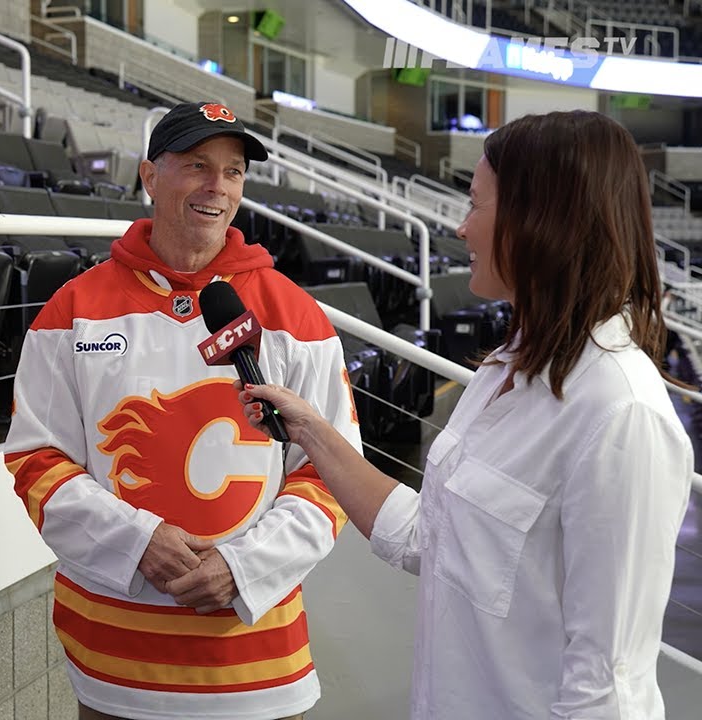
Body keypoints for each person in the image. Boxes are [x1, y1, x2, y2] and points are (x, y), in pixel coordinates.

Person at [238, 110, 693, 719]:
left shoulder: (621, 414)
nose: (460, 226)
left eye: (476, 204)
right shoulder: (503, 371)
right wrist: (309, 429)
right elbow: (428, 537)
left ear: (540, 220)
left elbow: (606, 687)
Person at [4, 101, 362, 720]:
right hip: (113, 664)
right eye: (197, 165)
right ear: (149, 176)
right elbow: (37, 461)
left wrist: (242, 567)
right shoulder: (73, 309)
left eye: (233, 171)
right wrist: (137, 541)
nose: (217, 186)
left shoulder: (296, 315)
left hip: (257, 666)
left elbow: (331, 473)